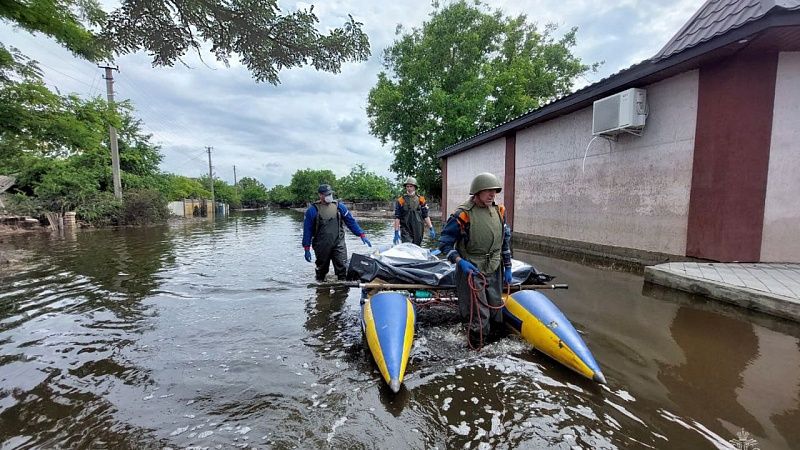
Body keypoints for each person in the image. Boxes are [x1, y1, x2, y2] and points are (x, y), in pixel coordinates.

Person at [438, 172, 513, 348]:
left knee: (496, 310)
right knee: (480, 315)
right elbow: (444, 244)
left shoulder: (500, 211)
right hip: (472, 269)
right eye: (488, 191)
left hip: (494, 267)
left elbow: (505, 240)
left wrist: (507, 266)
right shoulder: (463, 215)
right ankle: (474, 350)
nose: (492, 194)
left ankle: (494, 350)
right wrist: (459, 261)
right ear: (477, 192)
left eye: (494, 191)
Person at [302, 184, 372, 281]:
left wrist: (361, 234)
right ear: (320, 195)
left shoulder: (340, 207)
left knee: (342, 268)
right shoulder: (312, 211)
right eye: (326, 194)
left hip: (338, 243)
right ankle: (321, 291)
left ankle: (342, 292)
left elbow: (350, 221)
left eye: (330, 194)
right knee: (322, 270)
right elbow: (307, 231)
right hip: (321, 245)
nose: (329, 196)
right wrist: (306, 248)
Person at [393, 176, 436, 246]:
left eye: (411, 186)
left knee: (416, 247)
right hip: (405, 229)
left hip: (418, 229)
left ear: (415, 187)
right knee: (407, 247)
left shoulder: (421, 199)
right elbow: (397, 217)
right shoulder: (400, 200)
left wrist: (431, 228)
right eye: (407, 186)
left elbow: (425, 215)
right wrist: (396, 231)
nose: (409, 188)